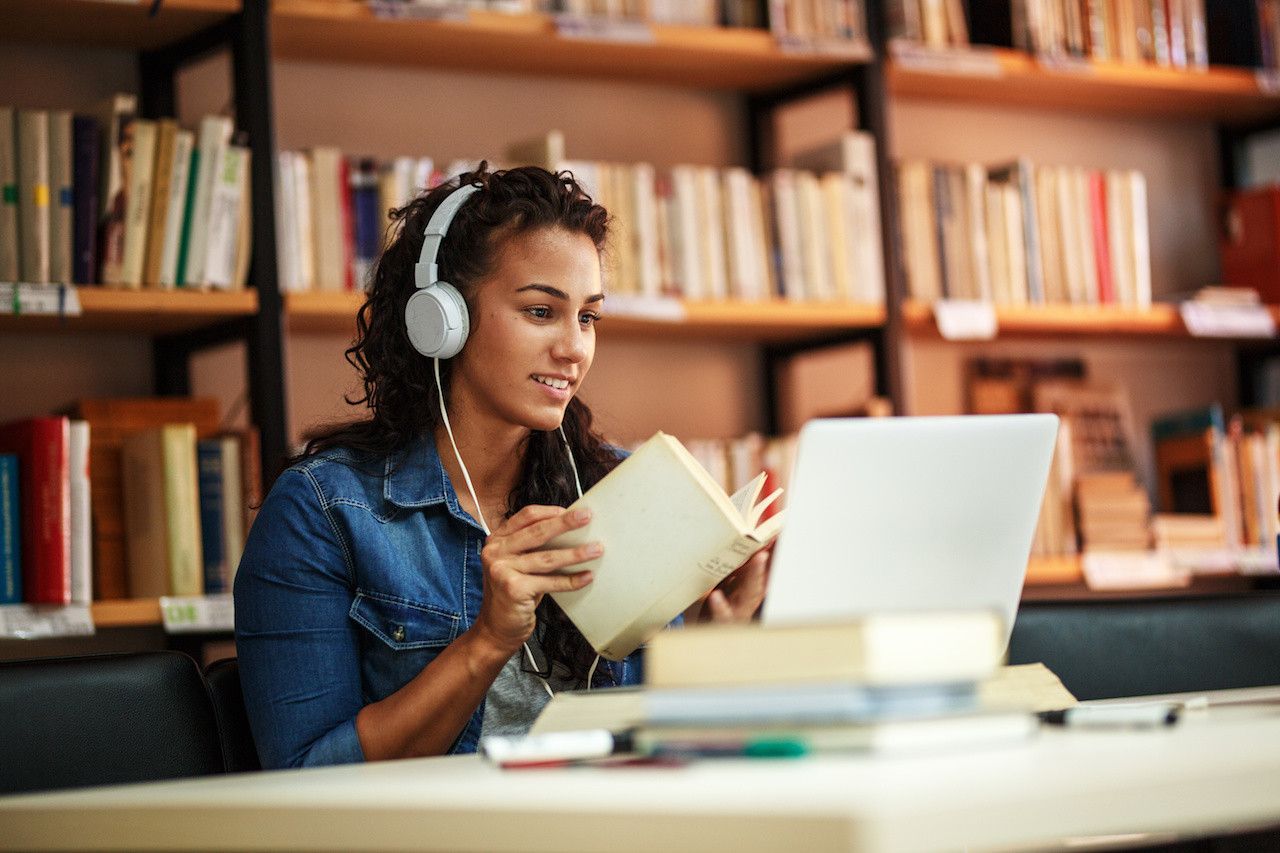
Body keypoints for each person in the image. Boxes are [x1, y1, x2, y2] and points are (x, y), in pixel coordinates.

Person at [234, 165, 769, 769]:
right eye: (541, 312)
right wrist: (487, 641)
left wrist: (711, 644)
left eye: (587, 317)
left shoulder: (619, 488)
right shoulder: (323, 511)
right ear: (442, 320)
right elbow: (304, 777)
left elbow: (645, 749)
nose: (573, 348)